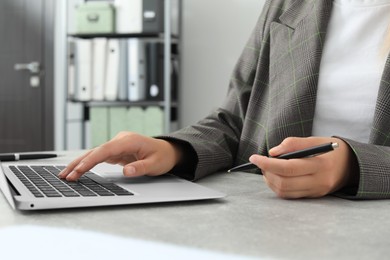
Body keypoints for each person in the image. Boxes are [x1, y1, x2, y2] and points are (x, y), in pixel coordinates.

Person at [60, 0, 390, 199]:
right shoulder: (288, 5)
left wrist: (354, 168)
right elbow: (235, 119)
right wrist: (174, 149)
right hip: (275, 226)